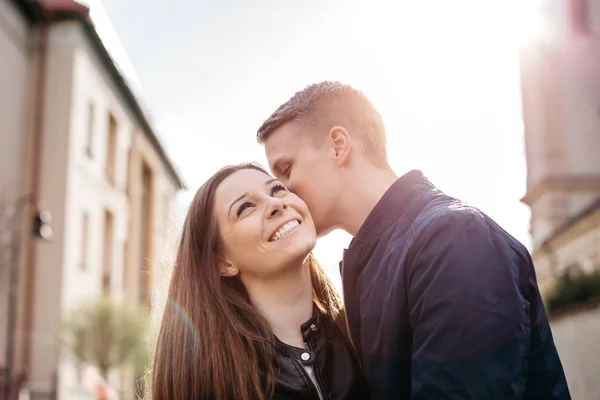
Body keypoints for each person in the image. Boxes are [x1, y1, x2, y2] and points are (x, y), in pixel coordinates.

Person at [257, 81, 571, 399]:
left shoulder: (451, 238)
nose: (283, 192)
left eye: (285, 169)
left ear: (338, 145)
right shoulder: (378, 257)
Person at [151, 163, 368, 400]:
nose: (276, 204)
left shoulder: (365, 330)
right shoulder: (211, 379)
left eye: (277, 190)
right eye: (245, 207)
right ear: (222, 262)